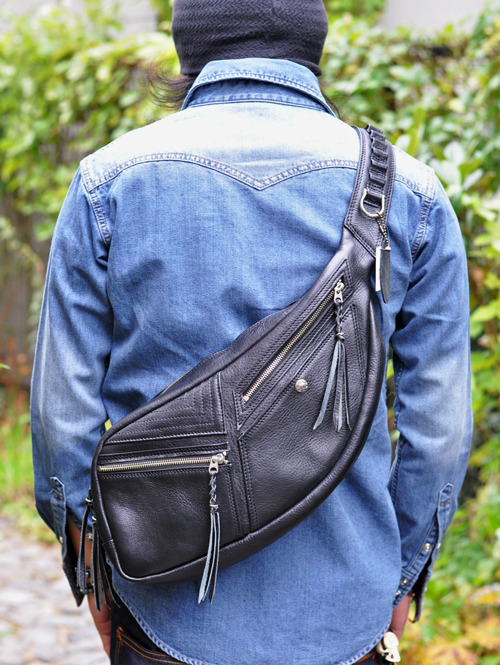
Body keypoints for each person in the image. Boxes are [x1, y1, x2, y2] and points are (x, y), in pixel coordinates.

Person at [30, 1, 472, 663]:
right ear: (313, 46)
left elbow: (60, 420)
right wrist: (399, 577)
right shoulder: (413, 195)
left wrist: (97, 575)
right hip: (346, 619)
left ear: (188, 46)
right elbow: (440, 433)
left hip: (163, 615)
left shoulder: (107, 185)